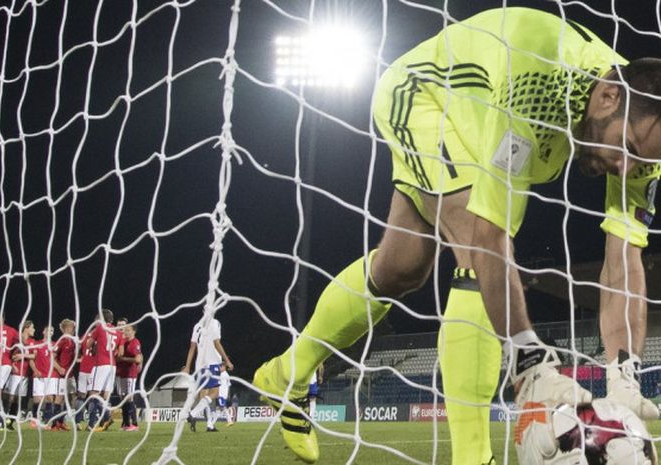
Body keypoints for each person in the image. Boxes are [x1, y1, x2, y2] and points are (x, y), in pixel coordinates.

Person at [252, 7, 661, 464]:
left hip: (473, 116)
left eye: (640, 159)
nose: (628, 167)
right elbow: (489, 237)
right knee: (473, 240)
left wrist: (624, 373)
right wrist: (529, 360)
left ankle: (285, 374)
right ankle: (474, 458)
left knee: (399, 269)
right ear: (607, 98)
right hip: (427, 94)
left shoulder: (645, 142)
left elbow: (624, 257)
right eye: (624, 148)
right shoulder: (537, 89)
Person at [181, 315, 233, 432]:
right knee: (215, 393)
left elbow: (192, 347)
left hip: (200, 366)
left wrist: (188, 366)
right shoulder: (215, 323)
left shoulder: (197, 326)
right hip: (212, 363)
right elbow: (216, 342)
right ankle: (193, 414)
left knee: (203, 395)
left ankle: (209, 424)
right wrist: (227, 360)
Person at [87, 309, 124, 432]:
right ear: (112, 319)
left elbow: (88, 344)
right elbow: (121, 353)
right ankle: (103, 421)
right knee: (106, 395)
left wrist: (94, 346)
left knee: (93, 393)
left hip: (101, 364)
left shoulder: (100, 328)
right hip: (112, 365)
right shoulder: (118, 333)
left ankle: (95, 422)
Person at [29, 325, 64, 429]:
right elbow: (31, 359)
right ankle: (34, 419)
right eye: (48, 330)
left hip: (51, 375)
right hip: (39, 375)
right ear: (43, 331)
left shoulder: (55, 345)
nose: (51, 331)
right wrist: (35, 370)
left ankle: (47, 421)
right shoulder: (37, 344)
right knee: (37, 399)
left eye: (52, 330)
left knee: (49, 398)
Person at [5, 320, 36, 430]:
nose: (34, 330)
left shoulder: (32, 342)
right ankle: (2, 418)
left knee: (18, 398)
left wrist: (23, 355)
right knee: (11, 397)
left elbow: (34, 356)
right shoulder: (16, 340)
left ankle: (10, 422)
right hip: (15, 372)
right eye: (32, 327)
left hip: (25, 374)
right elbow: (8, 354)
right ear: (26, 328)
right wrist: (12, 365)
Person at [116, 323, 142, 431]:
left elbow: (137, 359)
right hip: (122, 373)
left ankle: (134, 424)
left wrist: (123, 359)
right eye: (125, 330)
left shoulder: (135, 342)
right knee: (123, 397)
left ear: (133, 332)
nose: (125, 332)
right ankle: (126, 423)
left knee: (129, 397)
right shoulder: (124, 342)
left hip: (130, 374)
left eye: (128, 330)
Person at [53, 319, 77, 431]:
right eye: (73, 327)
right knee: (59, 398)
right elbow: (52, 357)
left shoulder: (71, 341)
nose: (74, 330)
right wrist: (59, 368)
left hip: (70, 374)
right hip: (63, 375)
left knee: (71, 397)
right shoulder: (62, 341)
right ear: (67, 328)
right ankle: (54, 424)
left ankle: (61, 422)